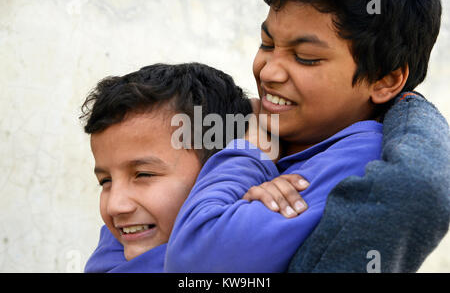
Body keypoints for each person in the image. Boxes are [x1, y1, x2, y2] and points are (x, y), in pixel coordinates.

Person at [163, 0, 449, 272]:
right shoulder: (287, 134)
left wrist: (250, 151)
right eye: (267, 44)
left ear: (384, 79)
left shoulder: (359, 163)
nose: (269, 72)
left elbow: (194, 262)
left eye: (305, 58)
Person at [81, 62, 308, 273]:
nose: (115, 206)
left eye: (144, 174)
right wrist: (252, 152)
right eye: (106, 181)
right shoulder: (113, 256)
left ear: (218, 167)